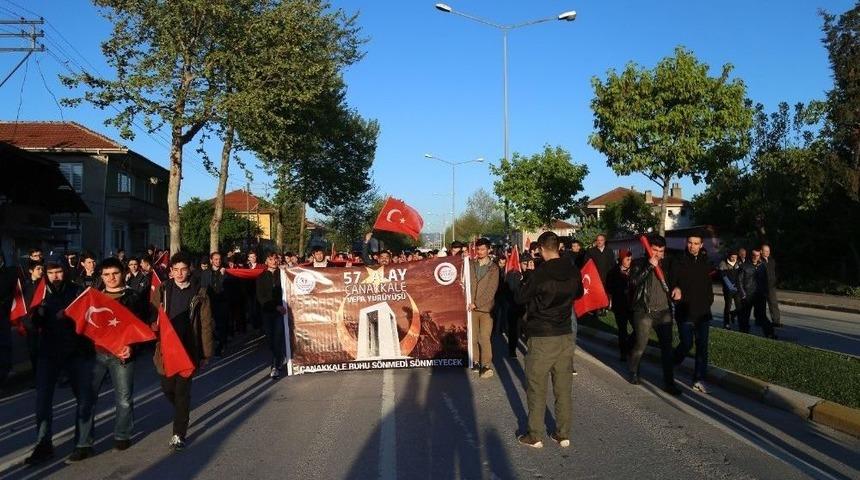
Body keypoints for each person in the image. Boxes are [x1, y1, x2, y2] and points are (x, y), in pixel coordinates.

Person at [508, 232, 582, 449]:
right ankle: (562, 433)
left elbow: (520, 297)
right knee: (563, 388)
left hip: (542, 334)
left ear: (540, 248)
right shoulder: (572, 269)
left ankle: (535, 435)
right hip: (565, 333)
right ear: (558, 246)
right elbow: (579, 293)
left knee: (536, 387)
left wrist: (520, 279)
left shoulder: (540, 273)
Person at [25, 262, 96, 465]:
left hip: (76, 351)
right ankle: (43, 444)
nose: (55, 276)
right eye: (51, 272)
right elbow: (27, 321)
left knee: (84, 399)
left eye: (59, 272)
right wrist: (37, 316)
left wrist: (69, 316)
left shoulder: (77, 291)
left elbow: (89, 317)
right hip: (48, 352)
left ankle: (83, 443)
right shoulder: (39, 292)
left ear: (65, 271)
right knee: (43, 401)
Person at [151, 252, 214, 451]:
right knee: (168, 388)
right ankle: (182, 409)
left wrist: (206, 352)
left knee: (182, 392)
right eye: (176, 269)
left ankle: (179, 433)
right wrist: (153, 325)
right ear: (170, 271)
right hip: (167, 348)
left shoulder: (200, 293)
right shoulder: (163, 289)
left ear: (189, 270)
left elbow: (205, 324)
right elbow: (152, 313)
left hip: (188, 347)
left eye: (183, 269)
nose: (179, 273)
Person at [91, 258, 145, 451]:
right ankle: (84, 441)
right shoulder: (94, 297)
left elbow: (142, 328)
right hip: (97, 354)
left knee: (124, 399)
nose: (111, 278)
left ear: (123, 273)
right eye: (106, 274)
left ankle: (122, 435)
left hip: (122, 355)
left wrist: (132, 347)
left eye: (115, 273)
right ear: (101, 276)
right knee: (88, 398)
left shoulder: (134, 297)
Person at [627, 235, 682, 396]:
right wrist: (649, 266)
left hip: (664, 312)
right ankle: (634, 371)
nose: (658, 254)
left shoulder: (669, 263)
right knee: (640, 345)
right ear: (648, 249)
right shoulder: (639, 263)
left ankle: (669, 382)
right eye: (655, 250)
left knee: (667, 348)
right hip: (644, 311)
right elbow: (633, 282)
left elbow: (676, 280)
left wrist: (677, 288)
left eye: (661, 251)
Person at [671, 234, 715, 394]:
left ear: (701, 245)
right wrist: (675, 288)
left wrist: (709, 300)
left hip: (703, 312)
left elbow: (708, 285)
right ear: (686, 242)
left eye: (696, 243)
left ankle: (698, 379)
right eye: (690, 242)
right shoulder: (678, 260)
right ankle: (671, 364)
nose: (692, 246)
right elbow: (671, 281)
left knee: (702, 347)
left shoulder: (705, 262)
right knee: (687, 343)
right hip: (685, 310)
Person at [469, 238, 500, 378]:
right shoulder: (470, 265)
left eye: (483, 249)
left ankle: (486, 365)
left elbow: (491, 291)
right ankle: (475, 361)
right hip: (471, 308)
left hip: (486, 309)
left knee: (484, 337)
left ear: (488, 250)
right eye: (478, 249)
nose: (480, 252)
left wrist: (476, 303)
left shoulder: (494, 268)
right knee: (473, 337)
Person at [257, 252, 287, 378]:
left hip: (281, 312)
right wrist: (275, 306)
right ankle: (279, 357)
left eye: (275, 259)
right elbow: (261, 297)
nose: (274, 261)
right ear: (266, 261)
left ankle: (274, 365)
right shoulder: (261, 277)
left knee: (278, 337)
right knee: (270, 339)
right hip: (268, 312)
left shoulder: (283, 275)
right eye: (270, 259)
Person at [738, 248, 775, 338]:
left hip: (760, 295)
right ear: (750, 255)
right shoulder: (744, 266)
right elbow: (739, 281)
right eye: (754, 255)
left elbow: (765, 281)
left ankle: (769, 333)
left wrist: (765, 293)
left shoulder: (762, 266)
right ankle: (743, 332)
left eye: (757, 255)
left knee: (761, 315)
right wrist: (743, 294)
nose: (755, 257)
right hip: (747, 295)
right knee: (745, 315)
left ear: (759, 256)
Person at [606, 249, 635, 361]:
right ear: (621, 259)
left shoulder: (634, 270)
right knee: (622, 330)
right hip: (620, 305)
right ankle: (623, 352)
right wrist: (620, 291)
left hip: (633, 305)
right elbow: (609, 287)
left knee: (638, 328)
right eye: (627, 259)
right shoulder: (613, 272)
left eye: (630, 259)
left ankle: (629, 346)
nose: (629, 261)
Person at [200, 251, 227, 356]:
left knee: (221, 325)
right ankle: (213, 344)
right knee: (210, 325)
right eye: (215, 259)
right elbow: (203, 287)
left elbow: (226, 287)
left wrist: (222, 275)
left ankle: (220, 345)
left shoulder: (225, 272)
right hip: (209, 302)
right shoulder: (206, 273)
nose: (218, 261)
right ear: (211, 260)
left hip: (221, 302)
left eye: (219, 259)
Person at [22, 259, 45, 370]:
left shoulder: (44, 284)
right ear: (31, 271)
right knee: (33, 350)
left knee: (44, 349)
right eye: (38, 269)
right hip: (29, 322)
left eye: (42, 269)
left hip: (43, 321)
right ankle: (36, 373)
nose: (41, 271)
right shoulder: (24, 286)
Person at [718, 251, 742, 329]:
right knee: (728, 306)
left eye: (735, 257)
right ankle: (726, 323)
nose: (734, 258)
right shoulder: (723, 264)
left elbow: (740, 276)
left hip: (737, 289)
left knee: (739, 306)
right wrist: (730, 286)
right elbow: (723, 277)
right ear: (729, 256)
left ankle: (738, 320)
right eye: (732, 257)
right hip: (728, 289)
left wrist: (739, 286)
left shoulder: (738, 263)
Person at [761, 244, 782, 327]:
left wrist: (776, 281)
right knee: (761, 305)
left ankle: (776, 321)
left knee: (773, 304)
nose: (767, 252)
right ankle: (761, 320)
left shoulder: (772, 260)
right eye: (766, 251)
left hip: (771, 286)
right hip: (761, 286)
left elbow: (776, 271)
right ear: (761, 251)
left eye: (768, 251)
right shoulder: (759, 261)